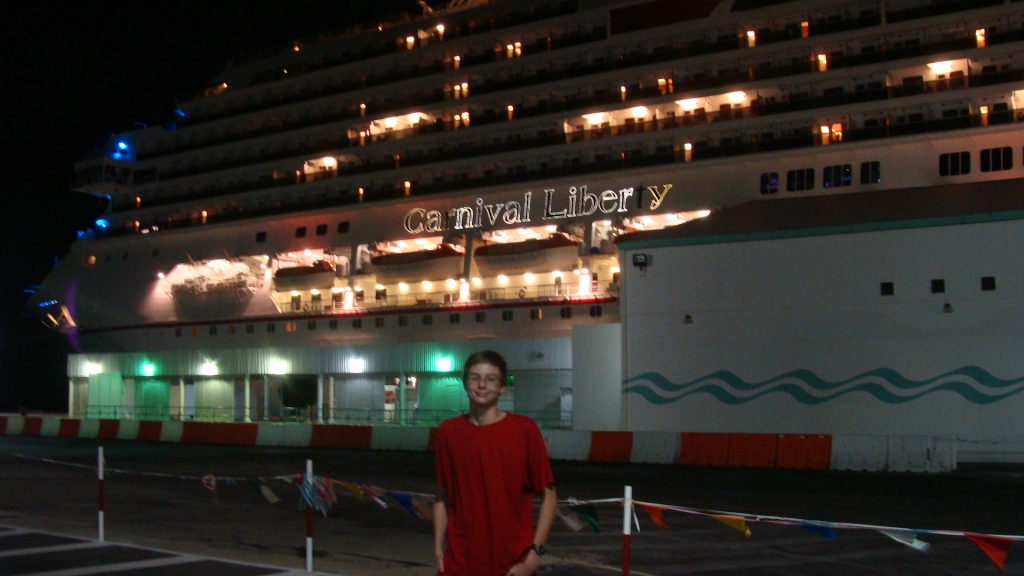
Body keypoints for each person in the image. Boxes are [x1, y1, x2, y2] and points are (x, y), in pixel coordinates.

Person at [433, 350, 557, 576]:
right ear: (464, 383)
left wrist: (534, 556)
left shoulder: (524, 430)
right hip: (459, 564)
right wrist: (437, 549)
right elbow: (442, 495)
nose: (482, 384)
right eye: (474, 377)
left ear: (502, 387)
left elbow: (549, 495)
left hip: (512, 565)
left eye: (490, 378)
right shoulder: (448, 433)